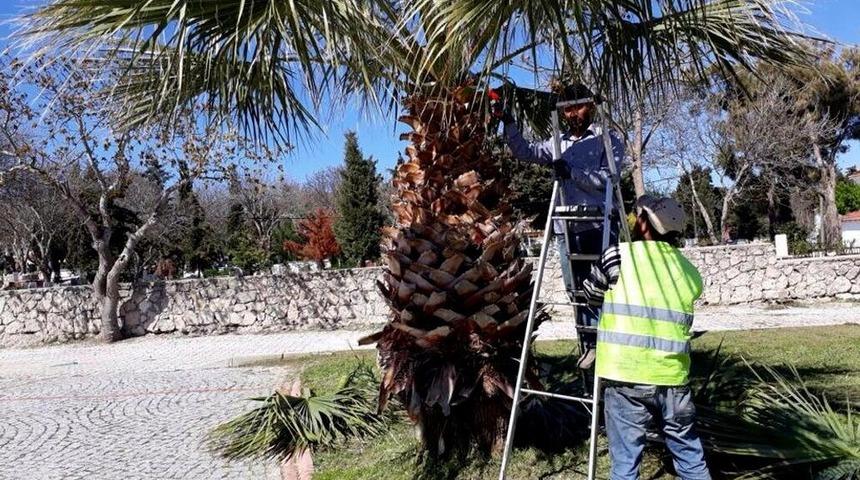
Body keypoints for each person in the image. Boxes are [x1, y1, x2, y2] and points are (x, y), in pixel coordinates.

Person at [495, 83, 625, 362]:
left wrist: (572, 171)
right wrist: (509, 122)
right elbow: (525, 151)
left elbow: (608, 180)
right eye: (567, 109)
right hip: (566, 227)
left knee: (603, 288)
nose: (572, 114)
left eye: (577, 107)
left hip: (598, 225)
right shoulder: (558, 141)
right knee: (575, 289)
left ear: (590, 107)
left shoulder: (609, 140)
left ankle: (609, 345)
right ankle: (588, 344)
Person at [583, 195, 710, 480]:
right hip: (673, 377)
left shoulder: (617, 256)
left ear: (642, 223)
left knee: (626, 464)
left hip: (626, 375)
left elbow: (591, 295)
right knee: (690, 457)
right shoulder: (690, 272)